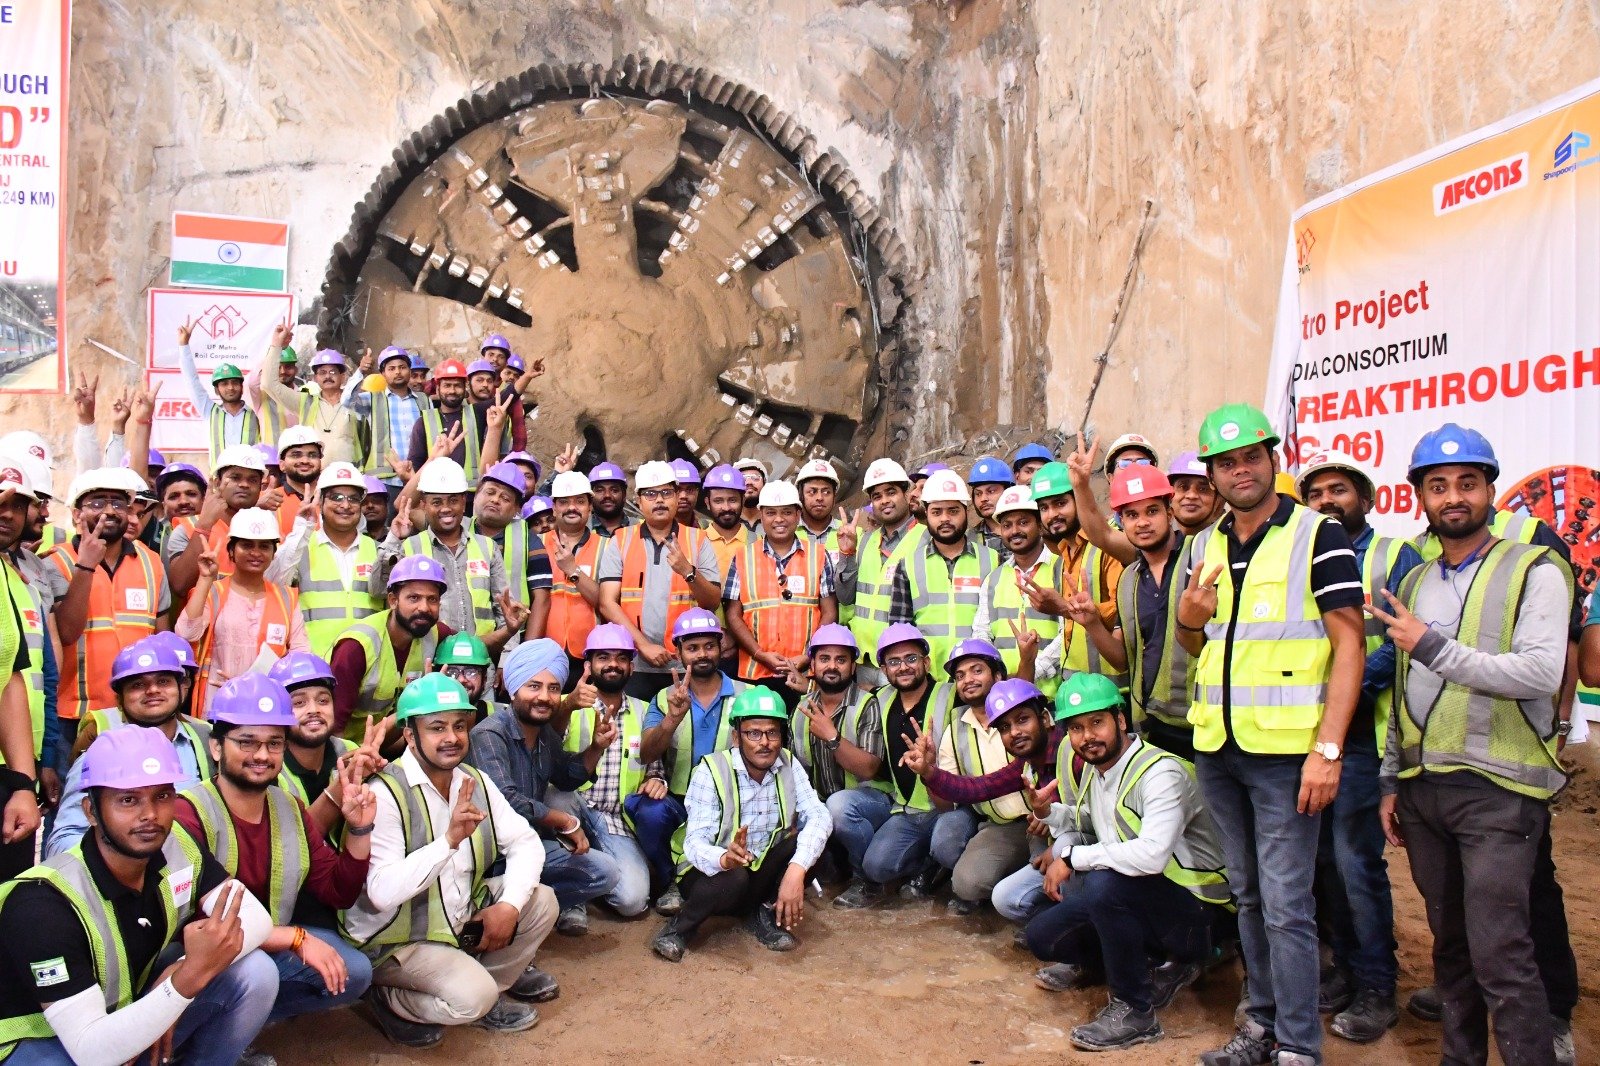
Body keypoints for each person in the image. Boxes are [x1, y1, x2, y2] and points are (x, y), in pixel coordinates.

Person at [1371, 424, 1573, 1066]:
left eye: (1467, 483)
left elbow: (1540, 672)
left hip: (1499, 794)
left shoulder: (1535, 569)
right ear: (1420, 498)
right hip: (1424, 792)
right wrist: (1391, 780)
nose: (1453, 496)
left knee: (1501, 955)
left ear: (1489, 490)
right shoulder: (1414, 582)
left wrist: (1433, 645)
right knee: (1452, 953)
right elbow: (1402, 692)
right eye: (1437, 485)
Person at [1176, 403, 1365, 1066]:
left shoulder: (1318, 535)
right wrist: (1190, 618)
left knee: (1287, 903)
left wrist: (1328, 749)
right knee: (1249, 895)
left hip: (1287, 756)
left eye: (1252, 457)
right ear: (1212, 475)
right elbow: (1197, 643)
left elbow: (1350, 644)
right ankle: (1260, 1025)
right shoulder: (1204, 545)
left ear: (1272, 459)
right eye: (1226, 463)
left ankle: (1298, 1046)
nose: (1241, 471)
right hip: (1218, 749)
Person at [0, 727, 277, 1066]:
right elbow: (91, 1051)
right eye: (128, 800)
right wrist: (184, 982)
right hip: (39, 1038)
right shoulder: (41, 905)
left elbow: (255, 919)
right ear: (90, 811)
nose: (150, 815)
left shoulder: (174, 844)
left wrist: (177, 976)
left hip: (115, 1014)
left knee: (255, 974)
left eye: (162, 796)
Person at [341, 673, 559, 1048]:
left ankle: (490, 992)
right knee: (470, 999)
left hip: (454, 920)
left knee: (541, 901)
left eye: (459, 725)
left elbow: (525, 842)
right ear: (410, 735)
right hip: (396, 940)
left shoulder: (474, 780)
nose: (452, 737)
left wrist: (508, 906)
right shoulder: (386, 793)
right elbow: (381, 891)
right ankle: (387, 996)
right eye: (437, 727)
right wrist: (448, 842)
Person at [1027, 672, 1233, 1052]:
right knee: (1043, 936)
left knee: (1104, 884)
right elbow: (1094, 821)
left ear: (1120, 720)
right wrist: (1048, 812)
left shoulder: (1161, 773)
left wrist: (1071, 856)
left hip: (1201, 912)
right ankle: (1148, 963)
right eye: (1076, 728)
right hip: (1149, 901)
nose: (1087, 736)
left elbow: (1151, 855)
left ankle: (1136, 1012)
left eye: (1096, 722)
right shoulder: (1099, 769)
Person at [1295, 451, 1423, 1040]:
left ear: (1365, 499)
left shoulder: (1393, 556)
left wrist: (1344, 695)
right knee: (1322, 858)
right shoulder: (1300, 555)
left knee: (1355, 860)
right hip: (1306, 732)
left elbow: (1404, 639)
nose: (1326, 500)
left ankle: (1376, 984)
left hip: (1366, 733)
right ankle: (1345, 968)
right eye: (1316, 492)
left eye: (1338, 490)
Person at [174, 673, 375, 1024]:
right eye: (247, 742)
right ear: (216, 747)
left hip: (262, 944)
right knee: (258, 973)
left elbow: (338, 892)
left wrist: (359, 829)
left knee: (355, 971)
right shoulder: (188, 813)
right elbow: (195, 925)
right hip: (196, 955)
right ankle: (205, 1042)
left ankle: (244, 1021)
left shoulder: (289, 808)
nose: (262, 755)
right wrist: (294, 938)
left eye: (274, 743)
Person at [650, 685, 833, 962]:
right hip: (711, 876)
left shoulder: (788, 763)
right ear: (736, 737)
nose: (765, 743)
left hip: (758, 870)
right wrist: (724, 858)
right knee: (734, 876)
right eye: (754, 733)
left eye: (772, 733)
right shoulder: (711, 770)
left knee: (810, 845)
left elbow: (819, 815)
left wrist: (796, 871)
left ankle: (763, 913)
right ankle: (679, 929)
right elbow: (695, 843)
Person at [469, 638, 623, 937]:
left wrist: (597, 747)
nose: (545, 697)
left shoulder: (543, 733)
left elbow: (566, 777)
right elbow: (506, 800)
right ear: (513, 689)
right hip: (491, 856)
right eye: (534, 686)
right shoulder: (489, 734)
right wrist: (563, 820)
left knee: (604, 872)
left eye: (553, 688)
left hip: (529, 845)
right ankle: (500, 916)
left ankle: (528, 917)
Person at [1062, 465, 1197, 759]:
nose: (1143, 522)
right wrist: (1092, 623)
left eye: (1152, 511)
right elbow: (1123, 659)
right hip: (1153, 724)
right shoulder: (1129, 579)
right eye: (1132, 515)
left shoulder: (1200, 555)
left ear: (1169, 513)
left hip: (1204, 721)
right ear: (1121, 522)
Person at [824, 625, 963, 907]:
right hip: (905, 808)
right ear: (884, 669)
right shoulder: (881, 698)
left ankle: (948, 871)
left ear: (926, 662)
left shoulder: (951, 694)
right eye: (894, 662)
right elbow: (843, 693)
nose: (903, 667)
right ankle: (925, 864)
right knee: (876, 867)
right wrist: (806, 686)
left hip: (949, 805)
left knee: (946, 844)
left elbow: (996, 702)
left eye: (911, 658)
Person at [49, 641, 215, 857]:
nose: (152, 690)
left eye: (163, 681)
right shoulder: (99, 755)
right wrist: (123, 862)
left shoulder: (207, 741)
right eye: (137, 684)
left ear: (180, 688)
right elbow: (63, 840)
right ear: (120, 699)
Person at [42, 468, 170, 748]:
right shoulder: (55, 562)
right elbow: (66, 632)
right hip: (73, 715)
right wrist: (86, 565)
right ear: (77, 514)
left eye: (118, 503)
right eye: (98, 503)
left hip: (137, 712)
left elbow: (162, 640)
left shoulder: (151, 562)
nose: (110, 511)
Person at [558, 626, 671, 924]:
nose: (613, 664)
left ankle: (591, 873)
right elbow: (546, 756)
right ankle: (572, 900)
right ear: (588, 665)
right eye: (604, 657)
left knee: (633, 900)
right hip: (571, 809)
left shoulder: (646, 711)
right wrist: (567, 705)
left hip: (615, 819)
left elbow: (653, 763)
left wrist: (656, 779)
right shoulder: (567, 705)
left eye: (622, 658)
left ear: (631, 667)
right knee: (556, 796)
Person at [635, 609, 745, 914]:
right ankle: (670, 881)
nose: (702, 654)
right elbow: (646, 754)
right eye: (692, 648)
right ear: (679, 653)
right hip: (679, 801)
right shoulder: (664, 697)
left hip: (730, 803)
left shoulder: (746, 694)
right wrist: (672, 718)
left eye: (709, 646)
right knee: (650, 812)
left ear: (721, 647)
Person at [596, 461, 721, 701]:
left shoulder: (698, 539)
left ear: (676, 496)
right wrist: (643, 645)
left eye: (666, 492)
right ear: (638, 500)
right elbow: (607, 603)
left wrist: (688, 571)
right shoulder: (621, 540)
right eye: (651, 494)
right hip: (634, 662)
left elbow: (712, 601)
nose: (660, 500)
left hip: (686, 663)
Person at [376, 458, 525, 653]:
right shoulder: (409, 547)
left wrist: (506, 660)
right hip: (427, 658)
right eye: (436, 502)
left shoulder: (487, 547)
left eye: (453, 500)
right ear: (424, 505)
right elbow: (378, 590)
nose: (446, 508)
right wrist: (393, 539)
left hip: (480, 659)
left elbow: (504, 609)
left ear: (463, 502)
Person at [176, 508, 307, 718]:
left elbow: (301, 656)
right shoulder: (213, 592)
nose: (256, 552)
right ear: (231, 550)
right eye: (246, 545)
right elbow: (186, 633)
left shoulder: (286, 598)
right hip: (218, 703)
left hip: (267, 704)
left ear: (274, 552)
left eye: (264, 546)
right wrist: (205, 579)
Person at [783, 624, 882, 886]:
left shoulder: (867, 704)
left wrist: (832, 737)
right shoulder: (801, 709)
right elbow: (794, 772)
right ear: (813, 664)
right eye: (824, 658)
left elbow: (869, 769)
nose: (832, 666)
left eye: (841, 660)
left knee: (838, 806)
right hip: (821, 803)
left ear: (853, 666)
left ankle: (866, 880)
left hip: (868, 802)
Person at [723, 480, 838, 693]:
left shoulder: (819, 555)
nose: (779, 519)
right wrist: (759, 654)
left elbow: (829, 612)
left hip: (805, 672)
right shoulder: (743, 557)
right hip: (756, 673)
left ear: (798, 514)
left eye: (786, 512)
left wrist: (808, 655)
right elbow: (732, 615)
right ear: (761, 515)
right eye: (771, 513)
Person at [887, 470, 1001, 679]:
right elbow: (900, 632)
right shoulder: (908, 565)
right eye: (937, 512)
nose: (945, 518)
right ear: (926, 513)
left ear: (966, 511)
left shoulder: (993, 560)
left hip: (978, 679)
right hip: (929, 679)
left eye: (953, 511)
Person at [1026, 459, 1125, 692]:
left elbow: (1124, 616)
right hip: (1075, 690)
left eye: (1060, 503)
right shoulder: (1061, 559)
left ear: (1078, 499)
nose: (1052, 514)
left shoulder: (1109, 547)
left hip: (1113, 691)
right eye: (1044, 508)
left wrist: (1065, 608)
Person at [267, 461, 383, 657]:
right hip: (315, 663)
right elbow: (273, 582)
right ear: (320, 502)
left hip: (369, 661)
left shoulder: (378, 551)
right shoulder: (302, 547)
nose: (345, 505)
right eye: (336, 498)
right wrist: (302, 529)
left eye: (353, 499)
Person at [329, 555, 452, 740]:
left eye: (432, 599)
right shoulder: (355, 648)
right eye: (414, 598)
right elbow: (333, 731)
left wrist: (502, 634)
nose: (424, 608)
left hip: (389, 743)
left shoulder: (434, 632)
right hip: (349, 748)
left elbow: (473, 644)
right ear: (393, 600)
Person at [969, 485, 1058, 694]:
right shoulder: (993, 578)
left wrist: (1029, 671)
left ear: (1040, 525)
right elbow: (981, 633)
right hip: (1006, 695)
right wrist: (997, 674)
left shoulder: (1061, 568)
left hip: (1053, 696)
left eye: (1023, 522)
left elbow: (1069, 634)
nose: (1015, 531)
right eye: (1007, 525)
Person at [836, 458, 921, 679]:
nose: (884, 501)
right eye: (877, 496)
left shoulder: (925, 539)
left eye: (891, 492)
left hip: (900, 659)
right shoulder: (866, 540)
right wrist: (847, 555)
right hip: (863, 658)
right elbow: (845, 597)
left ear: (906, 494)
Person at [164, 445, 270, 597]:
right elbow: (180, 586)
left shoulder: (268, 530)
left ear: (260, 487)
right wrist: (204, 526)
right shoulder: (187, 529)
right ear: (217, 482)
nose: (244, 484)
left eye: (252, 480)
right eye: (235, 477)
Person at [467, 462, 552, 640]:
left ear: (516, 509)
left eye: (505, 498)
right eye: (490, 492)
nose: (495, 500)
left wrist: (527, 651)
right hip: (463, 638)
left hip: (512, 639)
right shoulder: (457, 529)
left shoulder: (528, 539)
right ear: (476, 495)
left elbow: (542, 599)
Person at [267, 652, 360, 813]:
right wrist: (337, 792)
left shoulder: (349, 750)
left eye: (323, 700)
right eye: (299, 702)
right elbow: (295, 829)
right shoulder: (268, 765)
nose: (314, 710)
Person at [348, 346, 431, 504]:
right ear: (383, 374)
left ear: (409, 370)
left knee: (418, 519)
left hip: (418, 478)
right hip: (385, 481)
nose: (398, 372)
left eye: (402, 367)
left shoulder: (424, 400)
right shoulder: (372, 399)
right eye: (391, 368)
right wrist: (361, 372)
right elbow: (347, 401)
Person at [543, 471, 604, 680]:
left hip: (591, 652)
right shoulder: (536, 543)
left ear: (590, 506)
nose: (572, 507)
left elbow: (605, 602)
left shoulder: (606, 546)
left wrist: (572, 569)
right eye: (564, 502)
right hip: (546, 653)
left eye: (579, 501)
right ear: (554, 507)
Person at [180, 321, 261, 464]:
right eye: (224, 384)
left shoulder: (256, 413)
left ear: (242, 387)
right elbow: (191, 381)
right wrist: (184, 345)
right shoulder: (210, 411)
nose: (230, 387)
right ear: (217, 390)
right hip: (219, 477)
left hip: (250, 476)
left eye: (235, 382)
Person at [408, 360, 494, 483]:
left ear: (465, 388)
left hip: (470, 491)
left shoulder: (477, 413)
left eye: (457, 385)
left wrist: (524, 378)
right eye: (447, 385)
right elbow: (415, 465)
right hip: (436, 492)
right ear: (438, 389)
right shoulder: (423, 422)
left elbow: (510, 394)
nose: (452, 391)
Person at [267, 426, 324, 539]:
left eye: (312, 455)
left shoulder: (333, 499)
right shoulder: (269, 501)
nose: (305, 461)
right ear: (282, 465)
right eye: (296, 455)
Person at [432, 632, 504, 720]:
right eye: (451, 672)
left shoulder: (502, 717)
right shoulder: (423, 717)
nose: (461, 679)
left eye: (471, 672)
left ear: (484, 679)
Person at [1168, 451, 1224, 537]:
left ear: (1219, 500)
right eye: (1183, 487)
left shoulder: (1231, 541)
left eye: (1203, 489)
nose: (1192, 496)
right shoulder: (1157, 542)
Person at [794, 458, 842, 555]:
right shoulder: (786, 532)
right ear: (800, 495)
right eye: (812, 491)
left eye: (826, 492)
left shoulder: (852, 533)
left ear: (834, 496)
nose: (819, 497)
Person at [967, 456, 1014, 554]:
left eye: (991, 491)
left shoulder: (1030, 528)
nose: (983, 499)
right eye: (978, 494)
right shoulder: (969, 540)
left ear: (1009, 491)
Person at [586, 462, 632, 536]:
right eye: (600, 490)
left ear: (624, 495)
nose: (607, 495)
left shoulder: (642, 527)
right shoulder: (579, 529)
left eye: (614, 490)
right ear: (590, 497)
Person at [732, 457, 766, 530]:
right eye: (742, 479)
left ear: (764, 483)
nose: (749, 482)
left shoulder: (774, 521)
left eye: (755, 478)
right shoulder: (725, 522)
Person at [669, 459, 703, 528]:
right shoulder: (649, 528)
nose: (683, 496)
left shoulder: (708, 528)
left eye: (689, 490)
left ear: (697, 493)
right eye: (677, 489)